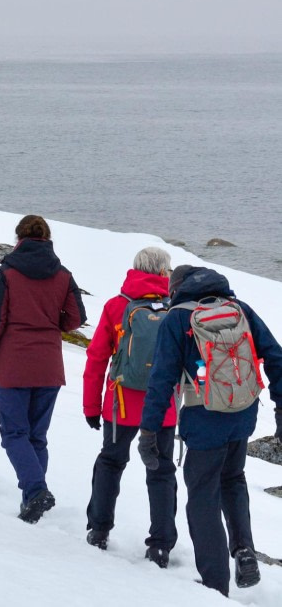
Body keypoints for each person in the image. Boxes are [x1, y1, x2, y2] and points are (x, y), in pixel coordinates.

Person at [139, 266, 282, 597]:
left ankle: (215, 586)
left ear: (177, 289)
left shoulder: (177, 319)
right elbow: (276, 357)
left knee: (202, 495)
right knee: (233, 479)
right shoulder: (240, 310)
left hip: (204, 418)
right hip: (243, 414)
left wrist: (148, 431)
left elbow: (162, 379)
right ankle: (243, 550)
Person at [0, 214, 86, 522]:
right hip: (49, 366)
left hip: (14, 365)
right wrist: (53, 324)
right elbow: (77, 317)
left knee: (13, 433)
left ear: (18, 238)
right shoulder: (63, 274)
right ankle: (32, 502)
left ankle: (36, 491)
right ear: (47, 238)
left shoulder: (8, 272)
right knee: (36, 436)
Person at [82, 247, 178, 564]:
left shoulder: (116, 306)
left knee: (111, 463)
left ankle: (98, 529)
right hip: (162, 407)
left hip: (120, 404)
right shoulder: (176, 309)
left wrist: (90, 407)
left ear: (135, 269)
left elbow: (96, 359)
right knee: (161, 472)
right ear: (165, 273)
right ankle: (161, 545)